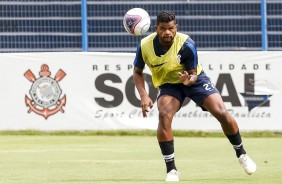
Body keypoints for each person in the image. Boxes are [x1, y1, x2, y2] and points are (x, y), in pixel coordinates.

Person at [132, 10, 256, 182]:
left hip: (194, 80)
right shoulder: (144, 45)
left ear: (176, 28)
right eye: (162, 28)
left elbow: (193, 74)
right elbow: (137, 72)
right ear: (156, 29)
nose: (167, 32)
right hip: (169, 85)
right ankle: (171, 170)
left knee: (220, 111)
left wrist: (189, 81)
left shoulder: (186, 44)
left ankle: (241, 153)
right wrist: (144, 95)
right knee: (164, 114)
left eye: (170, 28)